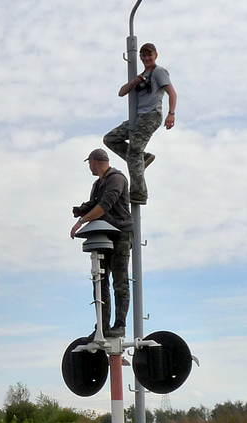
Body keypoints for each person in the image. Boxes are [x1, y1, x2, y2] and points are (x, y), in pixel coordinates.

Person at [103, 42, 177, 205]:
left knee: (134, 152)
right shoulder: (142, 75)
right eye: (143, 55)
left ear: (155, 55)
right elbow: (121, 92)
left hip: (151, 115)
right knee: (110, 139)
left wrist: (171, 114)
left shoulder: (159, 72)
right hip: (137, 118)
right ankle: (143, 158)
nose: (146, 58)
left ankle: (139, 192)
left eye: (149, 55)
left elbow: (172, 93)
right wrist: (133, 82)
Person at [70, 148, 132, 338]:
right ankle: (103, 326)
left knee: (120, 282)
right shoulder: (98, 184)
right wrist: (82, 209)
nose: (89, 166)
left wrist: (81, 221)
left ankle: (119, 325)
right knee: (100, 281)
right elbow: (95, 203)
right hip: (104, 236)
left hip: (120, 234)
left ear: (94, 161)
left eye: (89, 162)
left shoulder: (116, 179)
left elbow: (105, 205)